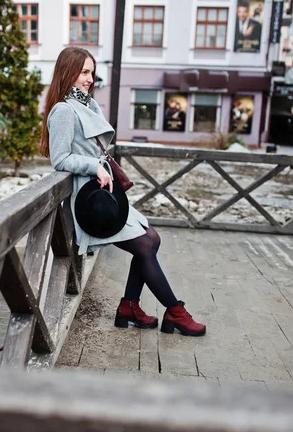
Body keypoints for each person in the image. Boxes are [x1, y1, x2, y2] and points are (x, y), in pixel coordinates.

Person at [40, 46, 205, 336]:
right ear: (69, 72)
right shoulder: (64, 111)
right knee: (145, 244)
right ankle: (175, 312)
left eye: (92, 72)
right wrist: (94, 166)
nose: (90, 78)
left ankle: (130, 306)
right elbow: (60, 159)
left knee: (151, 239)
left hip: (104, 192)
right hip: (90, 201)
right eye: (84, 72)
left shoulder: (86, 105)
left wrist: (98, 165)